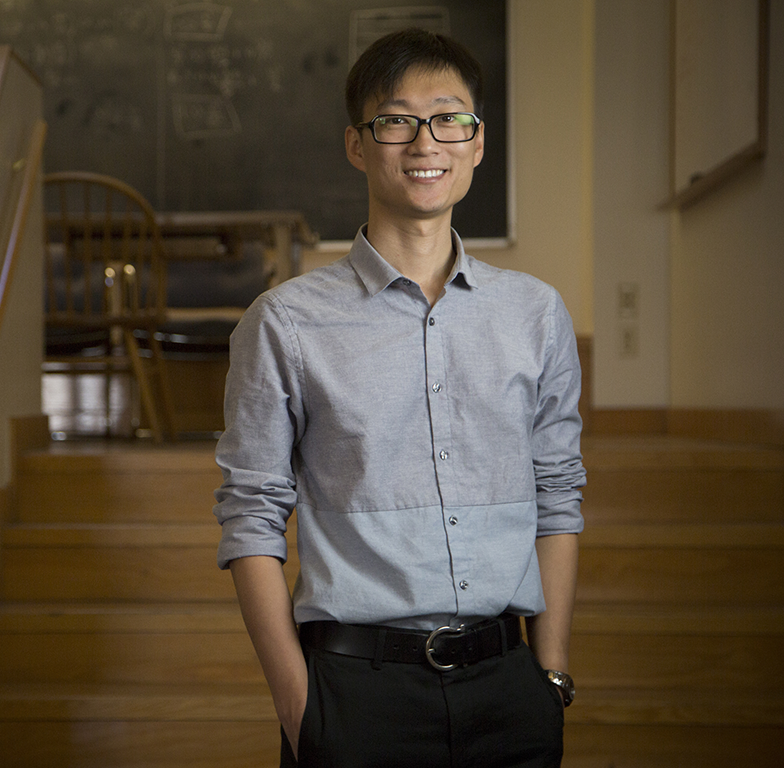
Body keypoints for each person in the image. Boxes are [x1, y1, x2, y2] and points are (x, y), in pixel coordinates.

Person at [213, 27, 585, 768]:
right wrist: (300, 708)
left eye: (450, 118)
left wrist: (549, 675)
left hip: (509, 689)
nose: (426, 142)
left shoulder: (536, 314)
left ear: (478, 143)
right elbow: (250, 516)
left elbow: (558, 493)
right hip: (352, 695)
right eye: (397, 120)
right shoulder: (285, 322)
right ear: (358, 144)